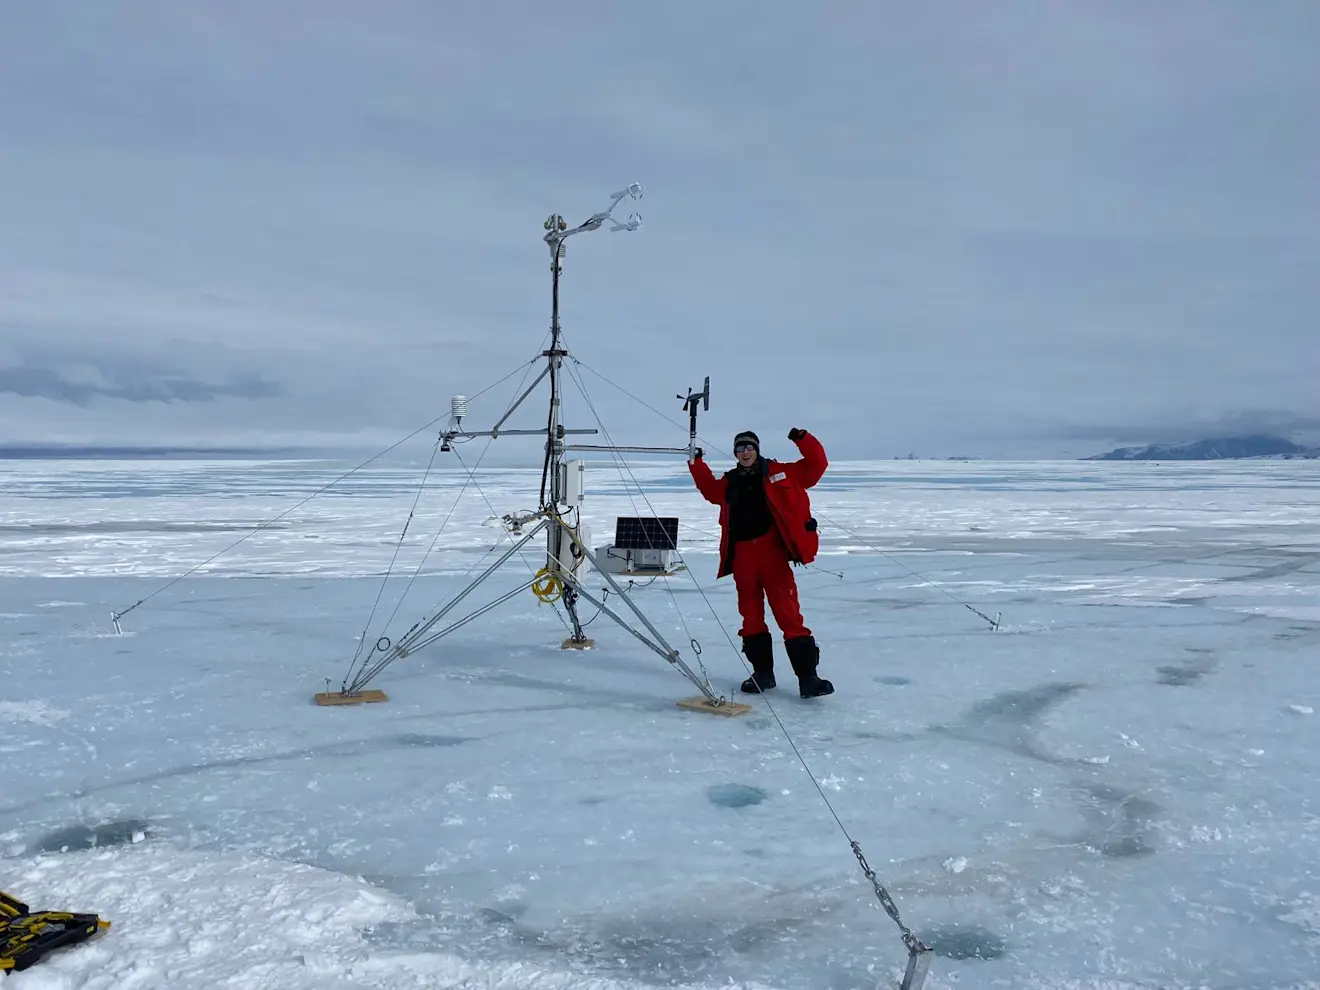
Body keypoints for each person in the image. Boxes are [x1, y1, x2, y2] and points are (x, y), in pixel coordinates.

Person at [688, 428, 834, 698]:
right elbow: (710, 491)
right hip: (742, 555)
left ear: (757, 449)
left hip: (772, 553)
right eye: (739, 448)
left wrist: (802, 438)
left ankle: (808, 678)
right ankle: (762, 674)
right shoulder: (730, 481)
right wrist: (696, 463)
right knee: (750, 616)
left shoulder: (781, 472)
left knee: (788, 613)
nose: (744, 452)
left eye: (749, 447)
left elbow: (816, 465)